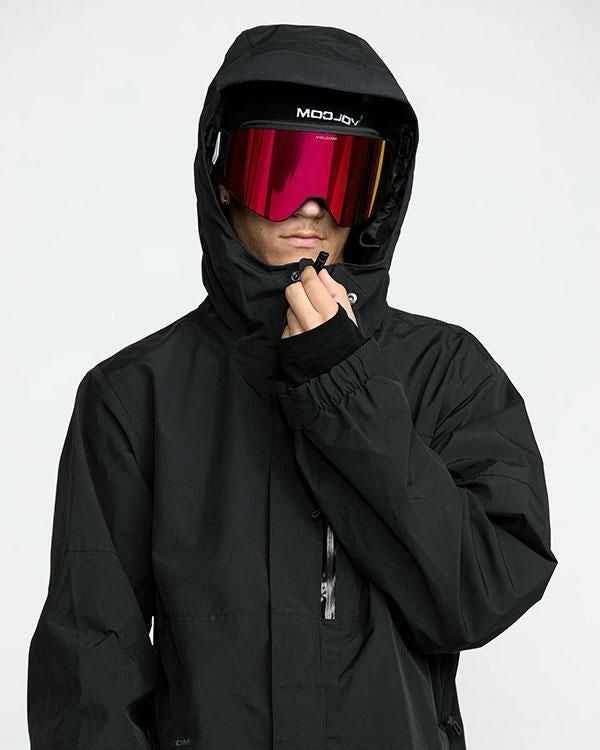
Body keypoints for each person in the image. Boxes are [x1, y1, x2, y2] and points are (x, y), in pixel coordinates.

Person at [27, 23, 558, 750]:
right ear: (223, 179)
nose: (312, 208)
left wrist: (346, 383)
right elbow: (89, 674)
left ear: (377, 197)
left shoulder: (447, 371)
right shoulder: (135, 396)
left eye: (341, 178)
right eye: (281, 171)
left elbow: (481, 594)